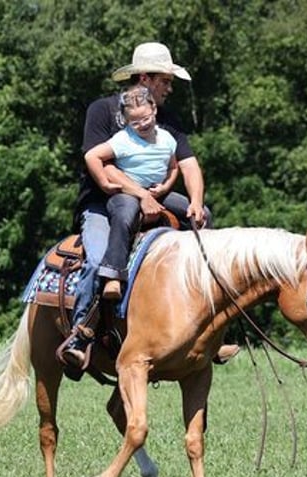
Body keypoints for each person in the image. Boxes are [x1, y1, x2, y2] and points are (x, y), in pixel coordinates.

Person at [62, 42, 239, 368]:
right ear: (144, 78)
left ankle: (212, 335)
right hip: (105, 204)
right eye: (165, 81)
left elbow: (188, 165)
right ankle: (80, 334)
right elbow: (106, 165)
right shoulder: (101, 111)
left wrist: (196, 202)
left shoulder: (167, 120)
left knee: (204, 226)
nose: (170, 89)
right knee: (98, 258)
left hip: (155, 199)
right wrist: (141, 195)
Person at [84, 85, 183, 301]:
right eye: (135, 122)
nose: (143, 124)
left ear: (154, 109)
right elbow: (92, 156)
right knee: (124, 214)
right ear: (127, 122)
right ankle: (113, 273)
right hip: (127, 192)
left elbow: (173, 167)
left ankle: (201, 267)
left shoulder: (167, 138)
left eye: (146, 118)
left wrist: (166, 186)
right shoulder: (123, 139)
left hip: (158, 192)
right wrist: (104, 183)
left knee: (197, 212)